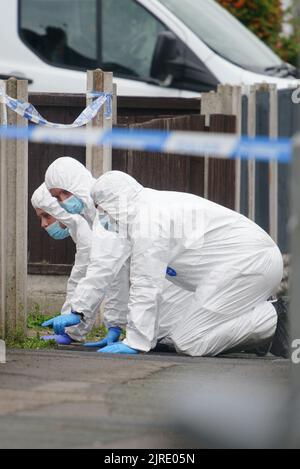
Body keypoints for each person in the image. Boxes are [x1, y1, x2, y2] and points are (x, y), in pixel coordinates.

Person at [44, 169, 288, 357]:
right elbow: (119, 274)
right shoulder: (144, 211)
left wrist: (136, 341)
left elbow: (145, 283)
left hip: (250, 262)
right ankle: (262, 322)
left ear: (114, 203)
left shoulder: (149, 221)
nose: (102, 217)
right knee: (182, 337)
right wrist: (111, 323)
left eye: (102, 209)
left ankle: (274, 318)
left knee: (189, 341)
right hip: (239, 266)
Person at [44, 158, 192, 349]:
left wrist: (78, 312)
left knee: (179, 341)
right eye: (57, 197)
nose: (63, 201)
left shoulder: (106, 210)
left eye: (65, 192)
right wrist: (114, 325)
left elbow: (102, 269)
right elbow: (117, 275)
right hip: (165, 294)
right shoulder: (94, 215)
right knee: (167, 339)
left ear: (78, 184)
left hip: (171, 292)